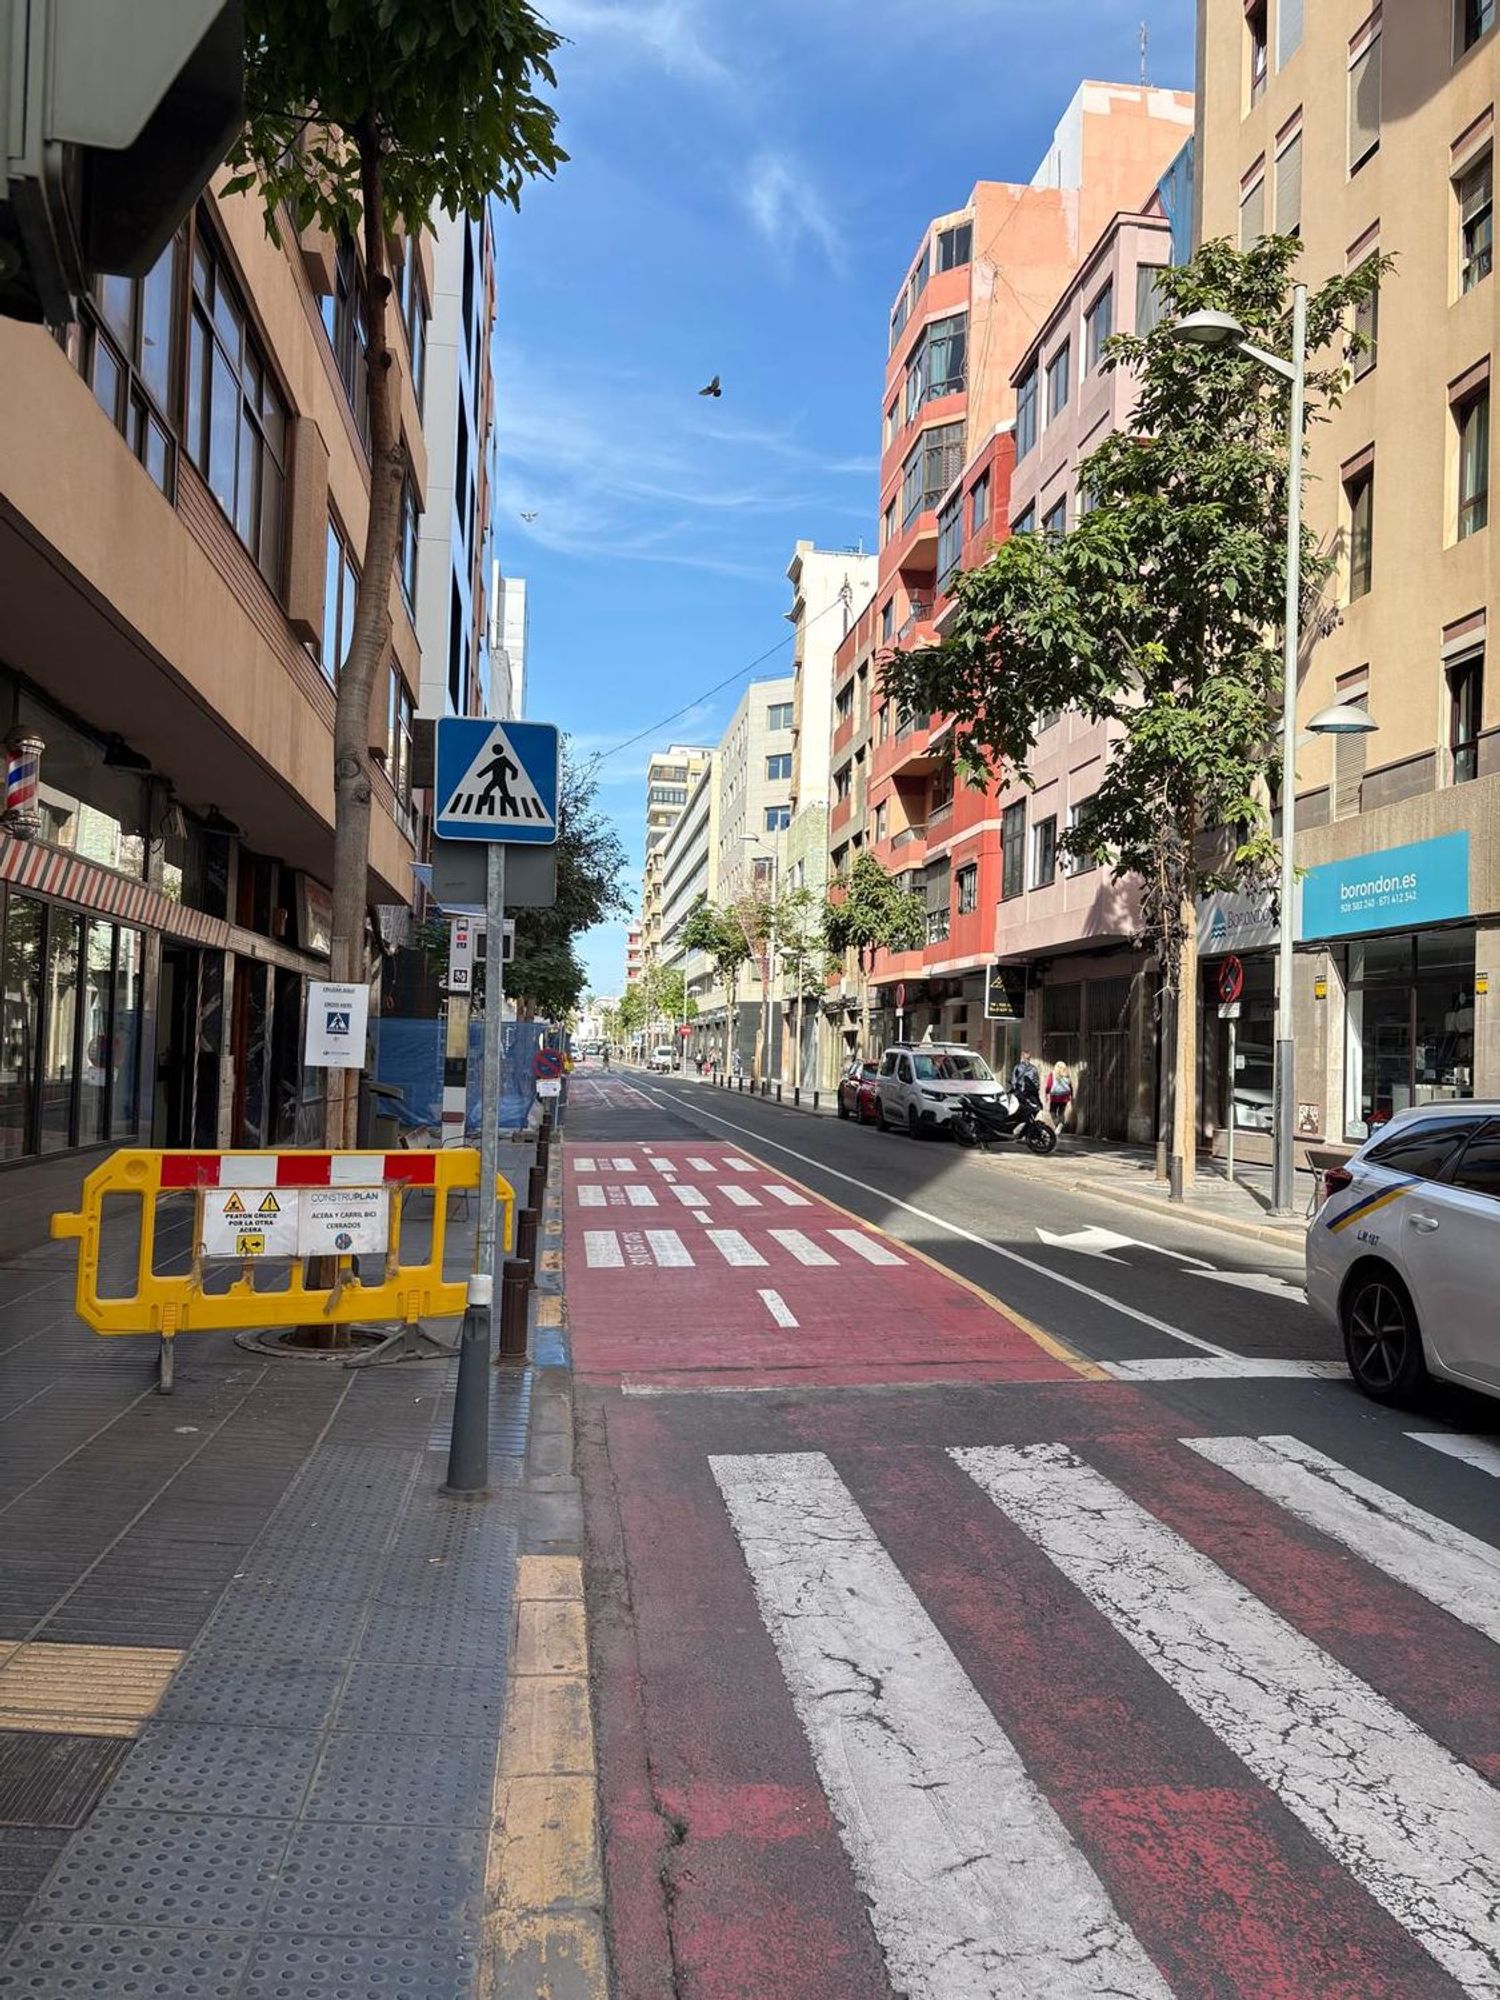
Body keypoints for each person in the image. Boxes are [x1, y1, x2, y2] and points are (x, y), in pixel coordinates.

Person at [1045, 1057, 1074, 1130]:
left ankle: (1056, 1124)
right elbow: (1070, 1086)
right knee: (1061, 1112)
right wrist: (1071, 1095)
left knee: (1052, 1111)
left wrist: (1047, 1092)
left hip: (1055, 1096)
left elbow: (1049, 1085)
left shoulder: (1052, 1074)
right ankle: (1060, 1124)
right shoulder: (1066, 1075)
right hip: (1064, 1096)